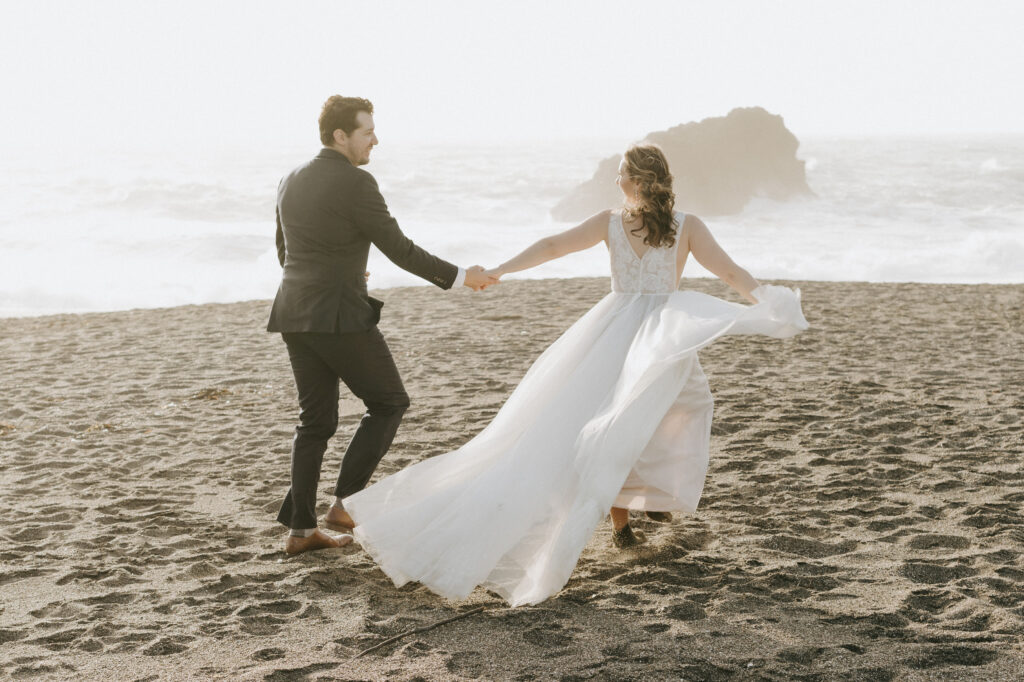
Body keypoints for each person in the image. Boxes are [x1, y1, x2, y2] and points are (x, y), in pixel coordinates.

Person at [343, 144, 808, 606]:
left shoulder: (619, 222)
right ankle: (626, 519)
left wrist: (502, 269)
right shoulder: (681, 224)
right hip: (655, 334)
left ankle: (645, 504)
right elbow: (726, 271)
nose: (616, 181)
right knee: (632, 420)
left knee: (641, 415)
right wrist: (764, 298)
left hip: (626, 330)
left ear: (637, 180)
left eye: (621, 173)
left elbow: (552, 246)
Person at [267, 96, 498, 555]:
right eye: (367, 131)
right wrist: (459, 277)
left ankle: (300, 531)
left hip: (294, 311)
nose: (375, 139)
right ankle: (343, 506)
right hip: (338, 314)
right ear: (340, 136)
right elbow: (398, 247)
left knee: (314, 423)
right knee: (389, 402)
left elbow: (286, 250)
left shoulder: (289, 178)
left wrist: (336, 272)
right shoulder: (356, 181)